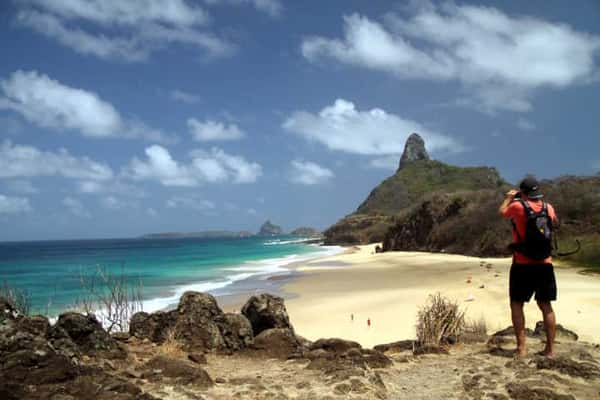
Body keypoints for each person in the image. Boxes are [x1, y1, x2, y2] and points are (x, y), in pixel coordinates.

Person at [499, 176, 558, 357]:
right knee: (545, 305)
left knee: (517, 304)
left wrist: (509, 197)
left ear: (522, 192)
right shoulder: (548, 207)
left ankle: (522, 348)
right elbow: (554, 223)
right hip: (545, 264)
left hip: (522, 264)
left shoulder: (518, 207)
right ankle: (550, 349)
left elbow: (502, 212)